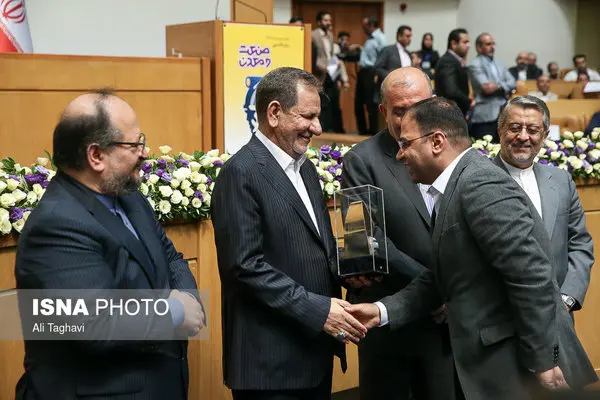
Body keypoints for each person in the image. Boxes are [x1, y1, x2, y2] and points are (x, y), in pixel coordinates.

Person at [346, 97, 598, 399]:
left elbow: (531, 277)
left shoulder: (480, 185)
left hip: (519, 369)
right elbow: (444, 276)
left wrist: (544, 361)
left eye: (406, 144)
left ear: (437, 142)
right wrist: (381, 311)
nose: (400, 154)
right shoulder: (455, 185)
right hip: (488, 365)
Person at [14, 90, 205, 400]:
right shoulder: (56, 225)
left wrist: (188, 299)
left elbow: (171, 258)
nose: (144, 152)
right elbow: (94, 324)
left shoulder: (130, 197)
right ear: (96, 156)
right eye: (135, 144)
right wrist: (175, 311)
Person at [211, 67, 367, 400]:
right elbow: (244, 268)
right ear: (274, 113)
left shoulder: (305, 168)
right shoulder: (240, 173)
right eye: (308, 116)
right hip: (270, 367)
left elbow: (315, 246)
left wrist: (349, 273)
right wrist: (319, 311)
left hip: (313, 355)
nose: (318, 128)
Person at [342, 67, 455, 400]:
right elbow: (364, 240)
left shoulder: (453, 152)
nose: (410, 117)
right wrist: (435, 289)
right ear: (383, 111)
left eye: (419, 106)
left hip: (447, 326)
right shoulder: (361, 160)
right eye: (400, 110)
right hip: (390, 325)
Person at [493, 95, 593, 314]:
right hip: (498, 317)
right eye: (515, 128)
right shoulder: (477, 180)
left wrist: (567, 298)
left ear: (545, 135)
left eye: (532, 130)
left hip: (557, 315)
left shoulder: (561, 180)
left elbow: (580, 243)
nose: (523, 137)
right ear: (500, 130)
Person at [469, 33, 516, 141]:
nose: (492, 47)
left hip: (503, 114)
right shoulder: (475, 64)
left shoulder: (500, 63)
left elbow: (513, 82)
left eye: (493, 44)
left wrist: (498, 85)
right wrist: (504, 86)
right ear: (479, 47)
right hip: (485, 115)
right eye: (488, 44)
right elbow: (487, 88)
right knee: (484, 148)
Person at [311, 11, 349, 133]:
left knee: (333, 101)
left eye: (329, 20)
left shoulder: (331, 35)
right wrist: (320, 67)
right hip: (319, 73)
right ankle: (321, 129)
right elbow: (312, 57)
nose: (328, 23)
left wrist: (337, 75)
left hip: (331, 72)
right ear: (319, 22)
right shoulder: (313, 35)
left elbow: (331, 56)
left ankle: (332, 129)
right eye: (326, 20)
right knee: (320, 102)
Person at [356, 15, 386, 135]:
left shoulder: (380, 38)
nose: (363, 28)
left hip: (371, 73)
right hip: (363, 73)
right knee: (358, 102)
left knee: (370, 103)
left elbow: (383, 57)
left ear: (371, 25)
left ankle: (372, 132)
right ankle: (362, 131)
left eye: (365, 25)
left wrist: (378, 73)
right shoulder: (369, 38)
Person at [435, 28, 473, 117]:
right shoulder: (448, 61)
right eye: (465, 42)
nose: (469, 45)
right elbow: (451, 90)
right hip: (450, 115)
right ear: (453, 44)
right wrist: (469, 101)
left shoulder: (454, 60)